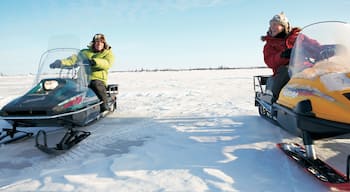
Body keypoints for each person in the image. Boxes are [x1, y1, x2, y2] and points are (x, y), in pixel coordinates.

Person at [50, 33, 115, 112]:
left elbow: (107, 63)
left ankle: (104, 105)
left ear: (104, 43)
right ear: (93, 43)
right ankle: (58, 105)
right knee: (68, 86)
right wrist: (60, 62)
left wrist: (95, 62)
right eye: (97, 42)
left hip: (97, 78)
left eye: (101, 42)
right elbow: (73, 60)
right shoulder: (84, 52)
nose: (99, 44)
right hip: (82, 78)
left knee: (96, 85)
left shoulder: (107, 53)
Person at [261, 12, 300, 101]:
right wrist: (283, 55)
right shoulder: (270, 44)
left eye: (275, 24)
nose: (272, 27)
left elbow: (313, 45)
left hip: (303, 67)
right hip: (284, 71)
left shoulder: (299, 37)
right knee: (286, 70)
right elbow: (270, 61)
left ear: (284, 26)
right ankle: (274, 99)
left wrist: (329, 48)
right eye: (271, 25)